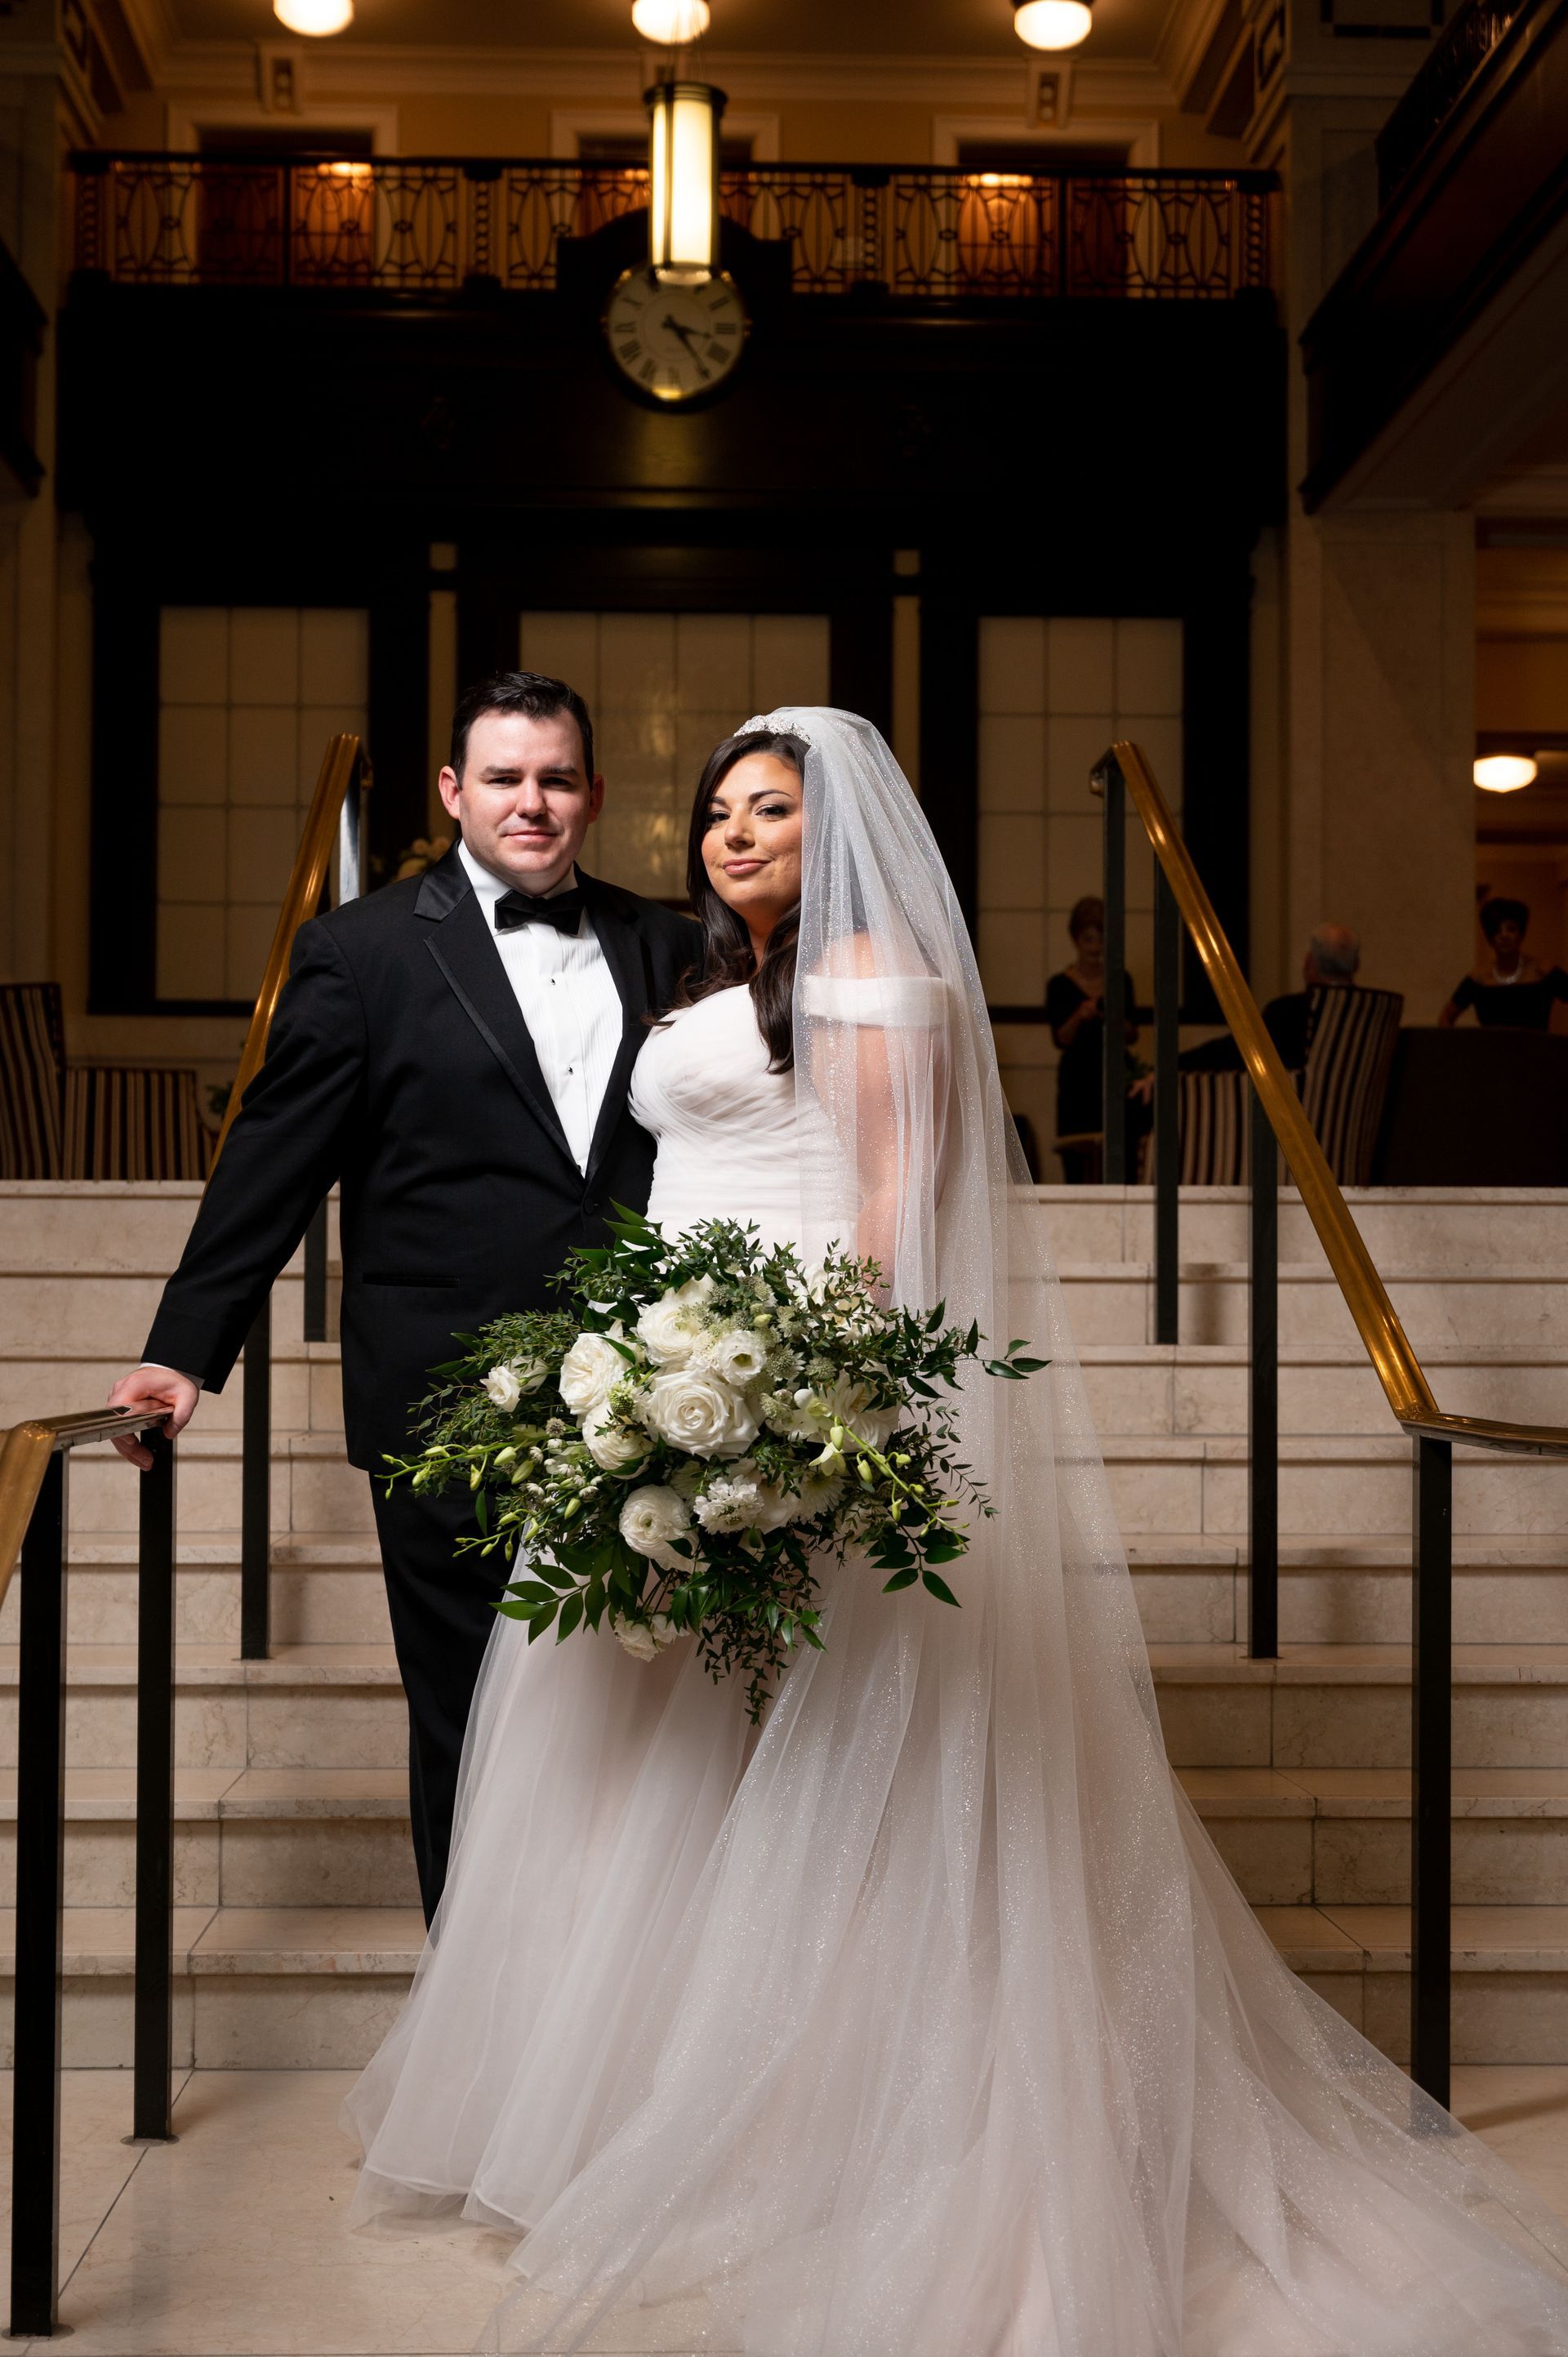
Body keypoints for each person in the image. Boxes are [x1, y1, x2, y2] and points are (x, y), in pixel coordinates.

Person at [345, 708, 1568, 2357]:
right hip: (668, 1361)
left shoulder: (863, 974)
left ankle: (816, 2121)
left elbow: (888, 1205)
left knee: (819, 1767)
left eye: (767, 810)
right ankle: (630, 2109)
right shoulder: (714, 982)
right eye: (716, 811)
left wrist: (804, 1404)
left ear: (830, 825)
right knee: (662, 1756)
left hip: (786, 1385)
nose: (732, 834)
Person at [103, 671, 700, 1923]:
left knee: (640, 1718)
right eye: (502, 777)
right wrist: (184, 1350)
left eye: (553, 777)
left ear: (593, 792)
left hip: (652, 1391)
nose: (530, 802)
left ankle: (608, 2029)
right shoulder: (360, 951)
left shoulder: (668, 942)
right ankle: (479, 2043)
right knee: (472, 1715)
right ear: (453, 792)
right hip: (445, 1394)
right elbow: (270, 1166)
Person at [1179, 920, 1363, 1075]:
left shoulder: (1288, 1013)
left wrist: (1175, 1064)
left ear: (1309, 963)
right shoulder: (1377, 1014)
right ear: (1356, 965)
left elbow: (1235, 1052)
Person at [1043, 895, 1141, 1179]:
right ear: (1076, 940)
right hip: (1077, 1081)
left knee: (1122, 1154)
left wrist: (1112, 1019)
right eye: (1089, 940)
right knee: (1076, 1158)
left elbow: (1133, 1034)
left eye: (1101, 940)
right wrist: (1079, 1015)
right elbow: (1060, 1039)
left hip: (1115, 1075)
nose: (1095, 948)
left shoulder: (1121, 980)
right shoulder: (1059, 985)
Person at [1441, 897, 1568, 1031]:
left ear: (1521, 934)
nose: (1504, 936)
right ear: (1490, 937)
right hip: (1491, 1051)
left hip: (1536, 1051)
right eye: (1497, 931)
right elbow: (1446, 1017)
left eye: (1511, 929)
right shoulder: (1478, 978)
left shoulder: (1543, 972)